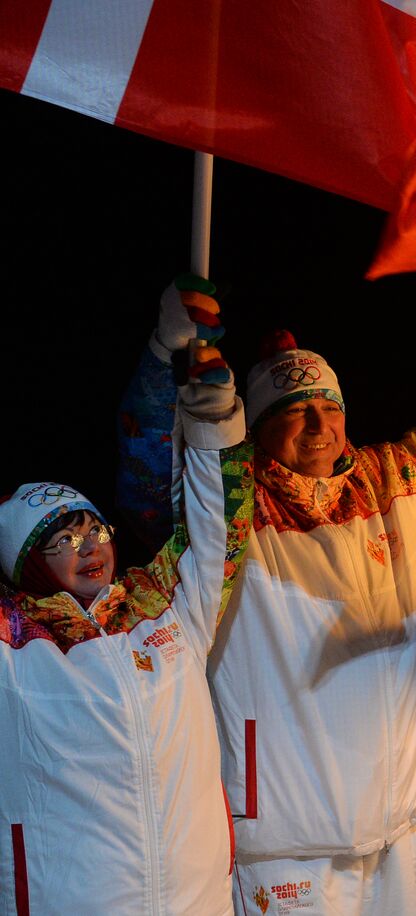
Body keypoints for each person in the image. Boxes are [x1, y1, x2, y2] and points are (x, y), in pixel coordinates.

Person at [115, 225, 416, 914]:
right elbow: (145, 481)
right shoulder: (229, 512)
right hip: (286, 845)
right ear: (255, 427)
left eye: (327, 407)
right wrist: (164, 351)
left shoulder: (395, 486)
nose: (317, 426)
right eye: (292, 413)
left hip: (400, 830)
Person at [0, 298, 252, 915]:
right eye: (62, 540)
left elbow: (219, 532)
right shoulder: (13, 641)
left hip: (196, 898)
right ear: (27, 563)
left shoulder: (159, 604)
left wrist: (215, 424)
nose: (89, 548)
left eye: (95, 531)